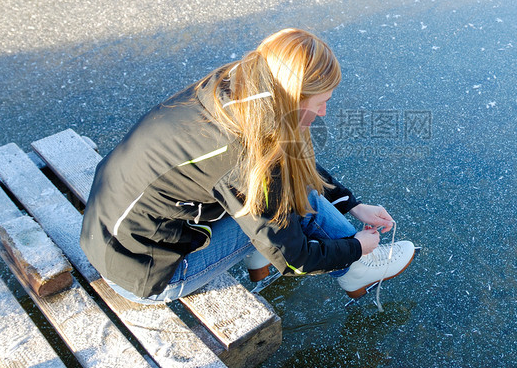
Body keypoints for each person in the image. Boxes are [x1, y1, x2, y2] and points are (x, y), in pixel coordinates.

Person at [80, 28, 415, 304]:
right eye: (321, 103)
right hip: (145, 272)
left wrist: (351, 203)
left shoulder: (234, 86)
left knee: (280, 197)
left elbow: (287, 162)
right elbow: (295, 261)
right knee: (296, 204)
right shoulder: (244, 153)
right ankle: (357, 268)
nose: (325, 113)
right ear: (292, 98)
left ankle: (260, 256)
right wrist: (356, 247)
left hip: (109, 235)